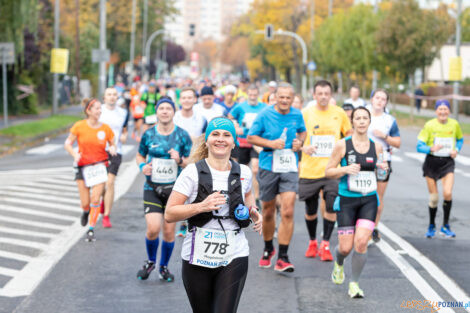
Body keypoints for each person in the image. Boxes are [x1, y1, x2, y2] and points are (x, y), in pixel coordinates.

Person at [165, 117, 263, 313]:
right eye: (215, 134)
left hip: (234, 252)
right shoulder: (191, 173)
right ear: (207, 140)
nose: (221, 139)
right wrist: (202, 206)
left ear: (234, 142)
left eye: (227, 135)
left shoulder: (243, 172)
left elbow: (249, 198)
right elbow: (170, 213)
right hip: (197, 255)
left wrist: (254, 213)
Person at [325, 106, 387, 298]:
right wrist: (345, 170)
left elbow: (382, 174)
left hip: (368, 200)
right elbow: (328, 171)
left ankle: (354, 283)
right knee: (345, 247)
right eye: (357, 118)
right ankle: (339, 262)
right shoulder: (342, 145)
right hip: (347, 201)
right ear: (352, 122)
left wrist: (383, 168)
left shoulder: (377, 147)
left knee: (361, 243)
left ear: (369, 122)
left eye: (364, 118)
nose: (361, 121)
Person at [247, 82, 306, 272]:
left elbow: (303, 132)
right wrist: (271, 143)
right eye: (281, 97)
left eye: (288, 97)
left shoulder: (297, 114)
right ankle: (268, 248)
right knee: (268, 210)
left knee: (288, 210)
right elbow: (251, 137)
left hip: (289, 165)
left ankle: (283, 256)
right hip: (268, 166)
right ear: (276, 96)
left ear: (292, 98)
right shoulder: (265, 114)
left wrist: (299, 142)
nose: (284, 101)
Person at [135, 98, 192, 282]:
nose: (165, 111)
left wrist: (180, 160)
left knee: (168, 232)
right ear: (157, 112)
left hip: (175, 190)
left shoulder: (182, 135)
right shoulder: (148, 134)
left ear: (173, 112)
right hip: (151, 187)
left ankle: (164, 267)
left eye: (168, 108)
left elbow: (191, 162)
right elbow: (139, 155)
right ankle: (151, 261)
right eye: (162, 108)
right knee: (153, 228)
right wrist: (142, 166)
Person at [299, 80, 352, 262]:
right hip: (310, 169)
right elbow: (296, 138)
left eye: (326, 93)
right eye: (319, 93)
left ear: (331, 96)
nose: (323, 96)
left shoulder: (339, 113)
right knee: (311, 209)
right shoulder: (305, 114)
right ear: (314, 95)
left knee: (331, 206)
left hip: (332, 169)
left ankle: (326, 244)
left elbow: (349, 134)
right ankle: (313, 241)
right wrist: (302, 148)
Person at [64, 98, 116, 242]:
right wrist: (75, 154)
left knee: (95, 198)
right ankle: (85, 211)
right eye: (97, 108)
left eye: (100, 108)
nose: (100, 111)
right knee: (85, 202)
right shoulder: (79, 126)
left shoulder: (105, 128)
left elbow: (113, 143)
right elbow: (68, 143)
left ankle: (91, 228)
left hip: (100, 167)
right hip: (83, 167)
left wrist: (112, 148)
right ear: (88, 110)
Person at [416, 99, 463, 238]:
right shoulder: (429, 125)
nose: (443, 112)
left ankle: (445, 226)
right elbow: (419, 146)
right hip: (432, 162)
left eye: (445, 109)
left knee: (447, 193)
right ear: (436, 111)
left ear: (449, 111)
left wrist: (457, 149)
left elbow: (460, 140)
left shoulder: (454, 124)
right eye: (440, 109)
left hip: (448, 162)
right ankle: (431, 225)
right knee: (434, 198)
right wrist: (430, 148)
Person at [366, 89, 401, 242]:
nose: (380, 101)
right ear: (372, 99)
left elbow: (398, 143)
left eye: (383, 99)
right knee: (363, 194)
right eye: (377, 98)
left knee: (378, 198)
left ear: (386, 102)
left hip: (382, 161)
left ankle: (374, 227)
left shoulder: (389, 120)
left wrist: (384, 136)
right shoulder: (362, 114)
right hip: (362, 160)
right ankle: (362, 226)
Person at [229, 84, 266, 208]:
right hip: (243, 142)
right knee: (243, 171)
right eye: (250, 95)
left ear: (258, 95)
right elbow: (231, 117)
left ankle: (257, 198)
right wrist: (236, 126)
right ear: (247, 95)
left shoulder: (263, 107)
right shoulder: (240, 107)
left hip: (256, 142)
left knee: (255, 169)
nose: (253, 97)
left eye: (255, 95)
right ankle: (242, 196)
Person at [98, 87, 129, 228]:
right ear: (104, 98)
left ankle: (106, 216)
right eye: (109, 95)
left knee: (110, 182)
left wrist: (124, 136)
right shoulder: (98, 111)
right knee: (101, 183)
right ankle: (103, 200)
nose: (112, 97)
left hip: (116, 151)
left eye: (114, 95)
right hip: (99, 151)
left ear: (118, 97)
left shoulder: (123, 113)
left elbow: (124, 130)